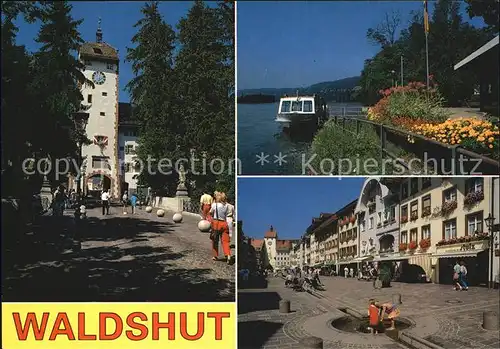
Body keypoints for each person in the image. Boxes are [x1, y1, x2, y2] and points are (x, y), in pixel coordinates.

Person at [209, 192, 231, 264]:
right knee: (225, 241)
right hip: (224, 223)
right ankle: (228, 255)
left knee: (215, 239)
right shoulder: (227, 205)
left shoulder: (214, 205)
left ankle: (215, 256)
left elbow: (210, 213)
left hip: (216, 223)